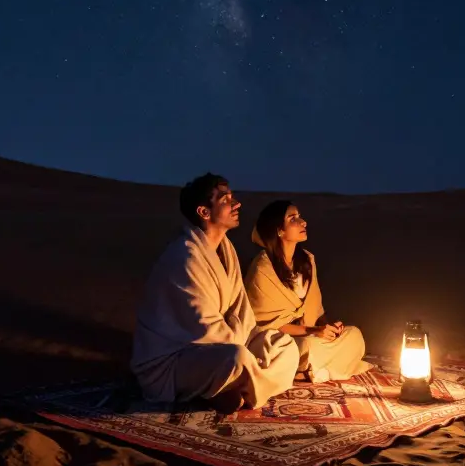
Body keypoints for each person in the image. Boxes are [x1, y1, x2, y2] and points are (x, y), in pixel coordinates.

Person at [130, 173, 300, 414]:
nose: (236, 204)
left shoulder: (226, 249)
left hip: (227, 340)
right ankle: (244, 384)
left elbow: (242, 311)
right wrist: (244, 346)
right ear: (204, 212)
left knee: (285, 345)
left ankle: (235, 388)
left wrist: (245, 336)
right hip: (178, 358)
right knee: (235, 358)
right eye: (225, 200)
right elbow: (205, 329)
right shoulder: (184, 257)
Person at [245, 200, 373, 383]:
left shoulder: (307, 260)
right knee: (303, 346)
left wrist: (328, 329)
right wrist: (312, 331)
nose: (303, 222)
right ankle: (320, 369)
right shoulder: (262, 269)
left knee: (354, 335)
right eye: (293, 219)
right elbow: (265, 324)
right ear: (279, 230)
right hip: (280, 340)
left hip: (312, 336)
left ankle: (310, 370)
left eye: (300, 216)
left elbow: (315, 307)